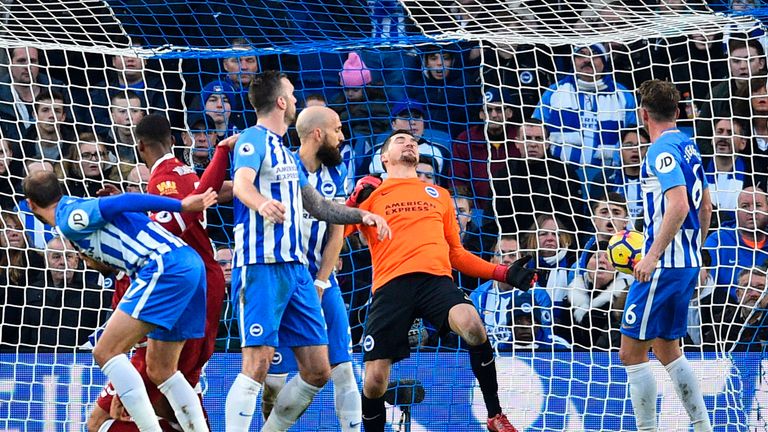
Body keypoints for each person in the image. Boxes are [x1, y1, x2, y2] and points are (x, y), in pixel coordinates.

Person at [225, 70, 389, 432]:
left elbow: (317, 205)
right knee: (259, 364)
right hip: (262, 264)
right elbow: (241, 185)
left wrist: (361, 214)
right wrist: (262, 203)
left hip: (298, 271)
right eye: (293, 95)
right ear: (281, 102)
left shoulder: (285, 154)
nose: (297, 101)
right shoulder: (252, 138)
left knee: (318, 369)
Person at [346, 129, 537, 432]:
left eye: (413, 141)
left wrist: (502, 272)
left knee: (473, 325)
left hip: (436, 280)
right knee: (375, 380)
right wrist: (354, 200)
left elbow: (457, 255)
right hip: (390, 286)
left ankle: (495, 415)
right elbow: (337, 236)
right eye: (400, 140)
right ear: (384, 158)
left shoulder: (439, 195)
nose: (409, 143)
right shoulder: (373, 194)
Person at [22, 169, 217, 432]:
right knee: (161, 370)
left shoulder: (69, 218)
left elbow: (123, 202)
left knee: (105, 351)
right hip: (189, 264)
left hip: (163, 266)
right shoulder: (76, 210)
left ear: (30, 204)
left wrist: (181, 205)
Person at [86, 114, 236, 432]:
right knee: (173, 392)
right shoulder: (184, 172)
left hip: (187, 288)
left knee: (105, 417)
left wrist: (120, 217)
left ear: (141, 147)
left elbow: (168, 226)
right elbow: (207, 193)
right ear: (174, 138)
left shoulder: (165, 178)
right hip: (199, 287)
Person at [618, 80, 713, 432]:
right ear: (678, 111)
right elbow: (706, 206)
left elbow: (679, 203)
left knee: (630, 353)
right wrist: (695, 250)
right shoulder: (689, 146)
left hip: (664, 266)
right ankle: (702, 427)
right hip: (685, 262)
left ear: (643, 114)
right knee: (667, 348)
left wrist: (652, 255)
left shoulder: (660, 151)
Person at [260, 106, 361, 431]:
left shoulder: (338, 170)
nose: (342, 136)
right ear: (318, 133)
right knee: (273, 382)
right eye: (337, 129)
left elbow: (336, 230)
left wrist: (320, 282)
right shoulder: (278, 167)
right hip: (281, 279)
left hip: (321, 282)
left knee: (343, 369)